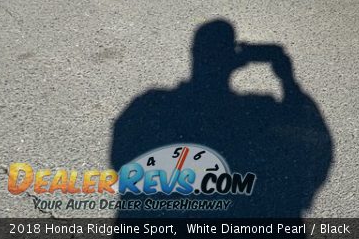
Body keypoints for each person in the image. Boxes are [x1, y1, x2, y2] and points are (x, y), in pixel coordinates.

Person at [109, 20, 333, 218]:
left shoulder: (151, 104)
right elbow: (314, 142)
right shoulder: (260, 110)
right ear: (233, 58)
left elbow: (121, 159)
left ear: (195, 54)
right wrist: (288, 80)